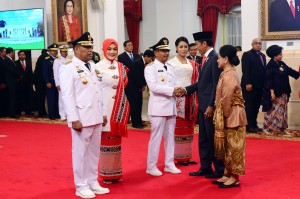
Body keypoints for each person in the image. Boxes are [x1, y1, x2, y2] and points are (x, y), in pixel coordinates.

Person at [59, 32, 110, 198]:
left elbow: (98, 91)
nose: (90, 50)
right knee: (80, 153)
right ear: (76, 49)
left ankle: (92, 182)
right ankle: (80, 186)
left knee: (94, 152)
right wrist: (73, 119)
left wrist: (103, 113)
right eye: (86, 47)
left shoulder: (93, 66)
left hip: (95, 116)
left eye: (91, 47)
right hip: (81, 117)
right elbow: (67, 95)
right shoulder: (68, 67)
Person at [183, 31, 224, 178]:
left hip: (208, 107)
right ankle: (206, 167)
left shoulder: (214, 58)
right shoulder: (206, 58)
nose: (196, 47)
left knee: (213, 139)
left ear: (204, 44)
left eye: (197, 44)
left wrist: (211, 105)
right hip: (203, 105)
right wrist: (185, 90)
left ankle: (220, 170)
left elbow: (215, 85)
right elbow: (201, 83)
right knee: (203, 139)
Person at [95, 38, 130, 184]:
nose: (112, 52)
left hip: (118, 109)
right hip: (105, 108)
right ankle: (106, 174)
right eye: (109, 49)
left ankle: (116, 172)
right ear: (104, 49)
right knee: (105, 141)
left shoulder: (121, 66)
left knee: (116, 141)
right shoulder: (97, 67)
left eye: (114, 49)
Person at [145, 37, 181, 176]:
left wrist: (178, 90)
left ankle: (169, 163)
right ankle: (151, 166)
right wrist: (172, 90)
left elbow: (174, 84)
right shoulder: (150, 68)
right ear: (155, 52)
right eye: (163, 51)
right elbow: (154, 87)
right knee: (156, 137)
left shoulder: (170, 67)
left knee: (170, 136)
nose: (166, 53)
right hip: (158, 108)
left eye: (167, 51)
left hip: (170, 106)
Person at [212, 45, 247, 188]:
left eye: (219, 58)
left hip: (234, 115)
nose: (217, 61)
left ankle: (235, 177)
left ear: (226, 59)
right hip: (229, 114)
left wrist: (222, 116)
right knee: (227, 146)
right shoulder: (225, 73)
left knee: (234, 147)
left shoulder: (230, 74)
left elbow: (226, 98)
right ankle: (227, 173)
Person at [166, 36, 198, 166]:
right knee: (178, 127)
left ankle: (187, 155)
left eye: (186, 47)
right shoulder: (171, 63)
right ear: (176, 48)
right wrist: (175, 91)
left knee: (189, 127)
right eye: (181, 47)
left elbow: (196, 80)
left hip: (190, 96)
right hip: (177, 97)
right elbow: (168, 79)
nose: (184, 49)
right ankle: (178, 156)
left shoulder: (192, 63)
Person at [262, 45, 300, 135]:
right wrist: (272, 92)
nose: (281, 56)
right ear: (274, 55)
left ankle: (281, 128)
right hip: (275, 92)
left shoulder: (282, 63)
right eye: (280, 54)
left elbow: (290, 71)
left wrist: (298, 73)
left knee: (283, 111)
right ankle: (269, 128)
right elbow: (268, 80)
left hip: (284, 92)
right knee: (274, 111)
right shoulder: (270, 66)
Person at [241, 38, 266, 133]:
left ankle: (254, 124)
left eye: (260, 43)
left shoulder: (262, 55)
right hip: (250, 85)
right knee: (250, 106)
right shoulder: (247, 55)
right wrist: (248, 83)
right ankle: (248, 126)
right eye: (256, 43)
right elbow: (245, 70)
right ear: (252, 44)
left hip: (259, 86)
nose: (258, 45)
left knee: (256, 107)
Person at [127, 49, 154, 129]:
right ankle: (135, 123)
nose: (151, 60)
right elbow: (136, 77)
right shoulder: (137, 63)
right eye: (151, 58)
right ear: (146, 56)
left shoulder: (142, 62)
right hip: (132, 89)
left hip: (137, 88)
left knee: (139, 104)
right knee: (135, 106)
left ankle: (139, 121)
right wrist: (142, 86)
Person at [118, 40, 140, 125]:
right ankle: (126, 119)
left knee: (137, 102)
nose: (131, 46)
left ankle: (136, 120)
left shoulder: (137, 55)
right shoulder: (121, 57)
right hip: (128, 83)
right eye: (129, 45)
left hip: (137, 83)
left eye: (131, 45)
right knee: (129, 102)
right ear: (125, 47)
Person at [3, 47, 21, 118]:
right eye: (13, 52)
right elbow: (11, 70)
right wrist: (19, 75)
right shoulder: (7, 60)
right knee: (12, 98)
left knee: (13, 97)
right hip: (10, 82)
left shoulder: (9, 60)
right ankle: (12, 113)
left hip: (12, 82)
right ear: (11, 52)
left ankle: (13, 112)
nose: (13, 54)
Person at [43, 44, 59, 120]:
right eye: (53, 51)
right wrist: (47, 82)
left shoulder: (57, 59)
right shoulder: (47, 59)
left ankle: (56, 113)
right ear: (49, 51)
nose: (55, 52)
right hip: (50, 82)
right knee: (51, 99)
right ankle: (51, 114)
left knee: (56, 98)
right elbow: (45, 72)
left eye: (56, 50)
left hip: (56, 82)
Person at [53, 45, 70, 120]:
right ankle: (62, 114)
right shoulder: (57, 60)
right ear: (60, 52)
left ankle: (67, 113)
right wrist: (57, 84)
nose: (65, 53)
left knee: (68, 98)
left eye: (66, 51)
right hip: (61, 82)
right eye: (63, 51)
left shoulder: (69, 60)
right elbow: (56, 73)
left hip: (68, 82)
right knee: (61, 99)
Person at [15, 50, 33, 116]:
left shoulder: (28, 62)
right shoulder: (15, 63)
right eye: (20, 55)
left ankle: (28, 111)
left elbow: (30, 72)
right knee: (20, 98)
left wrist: (32, 82)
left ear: (25, 55)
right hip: (19, 84)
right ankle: (19, 111)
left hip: (28, 84)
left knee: (28, 97)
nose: (22, 56)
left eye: (23, 55)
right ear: (18, 55)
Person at [33, 49, 48, 118]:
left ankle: (41, 112)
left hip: (38, 81)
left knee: (40, 98)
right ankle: (42, 113)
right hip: (41, 81)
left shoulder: (40, 57)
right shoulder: (45, 57)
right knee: (42, 98)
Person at [0, 47, 8, 117]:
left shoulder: (4, 59)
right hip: (1, 83)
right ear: (1, 52)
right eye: (5, 52)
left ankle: (4, 112)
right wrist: (2, 82)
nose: (6, 53)